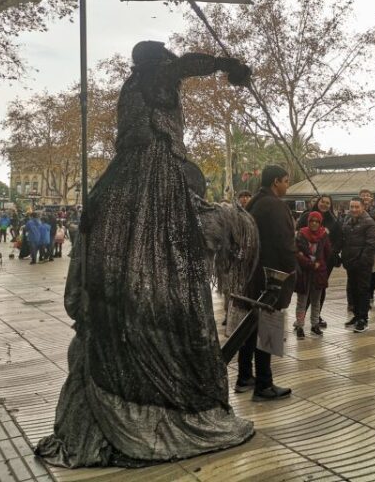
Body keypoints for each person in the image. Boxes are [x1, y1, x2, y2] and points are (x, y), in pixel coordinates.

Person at [35, 42, 255, 468]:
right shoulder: (156, 79)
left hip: (129, 179)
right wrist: (226, 65)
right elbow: (187, 66)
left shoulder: (130, 90)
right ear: (158, 62)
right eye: (167, 61)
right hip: (157, 182)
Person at [238, 164, 296, 400]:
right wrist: (292, 271)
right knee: (267, 329)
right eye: (285, 181)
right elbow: (285, 244)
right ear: (275, 182)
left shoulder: (253, 203)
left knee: (251, 328)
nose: (286, 185)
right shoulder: (275, 206)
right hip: (271, 279)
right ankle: (264, 384)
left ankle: (244, 376)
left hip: (253, 275)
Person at [296, 195, 342, 328]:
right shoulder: (306, 216)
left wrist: (332, 252)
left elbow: (340, 238)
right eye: (323, 201)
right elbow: (297, 233)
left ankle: (316, 317)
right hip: (305, 260)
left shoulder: (333, 221)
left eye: (328, 203)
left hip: (324, 262)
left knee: (319, 289)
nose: (325, 204)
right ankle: (301, 318)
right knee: (305, 289)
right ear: (318, 202)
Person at [341, 198, 375, 332]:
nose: (354, 210)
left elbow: (370, 245)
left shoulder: (369, 223)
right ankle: (356, 315)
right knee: (353, 290)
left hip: (362, 264)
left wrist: (361, 261)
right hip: (350, 263)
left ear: (363, 208)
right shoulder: (348, 221)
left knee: (362, 290)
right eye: (352, 207)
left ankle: (363, 318)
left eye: (357, 207)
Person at [294, 211, 332, 338]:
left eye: (317, 221)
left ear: (320, 223)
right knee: (302, 302)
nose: (314, 223)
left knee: (316, 301)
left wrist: (319, 264)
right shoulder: (301, 234)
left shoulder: (323, 235)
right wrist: (310, 263)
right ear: (308, 222)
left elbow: (327, 253)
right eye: (312, 221)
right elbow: (297, 253)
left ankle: (315, 325)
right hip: (304, 273)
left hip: (319, 273)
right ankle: (300, 326)